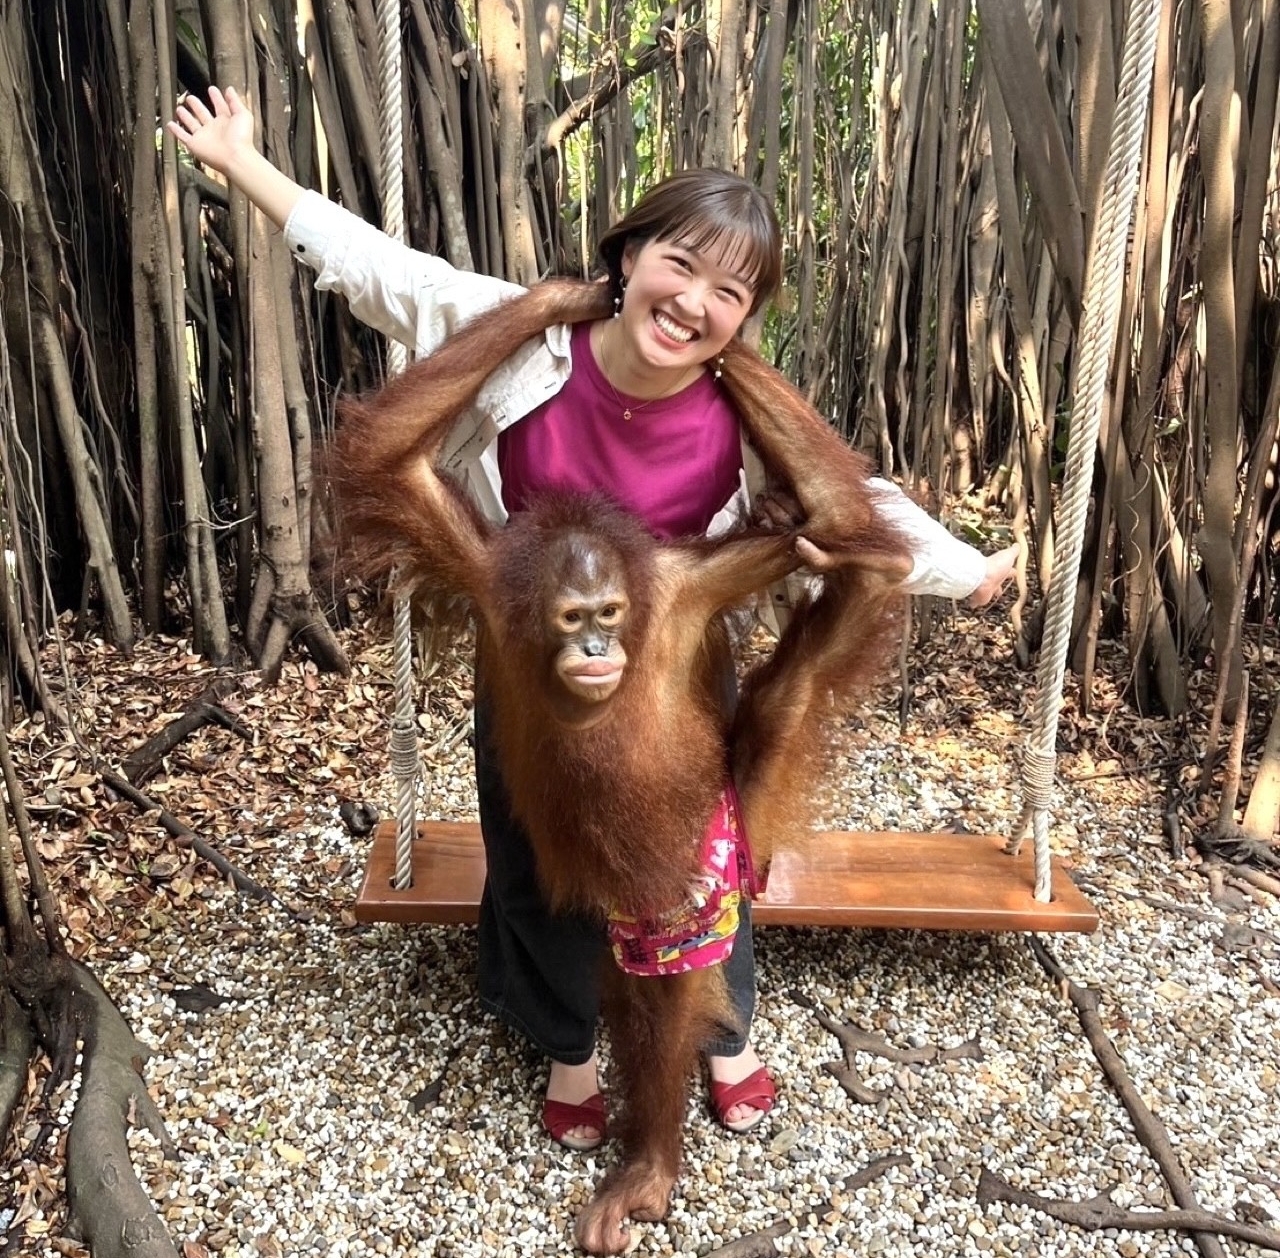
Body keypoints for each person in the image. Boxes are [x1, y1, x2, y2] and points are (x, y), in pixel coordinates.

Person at [169, 86, 1018, 1152]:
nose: (692, 303)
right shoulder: (526, 339)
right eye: (680, 265)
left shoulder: (734, 413)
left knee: (702, 858)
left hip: (671, 654)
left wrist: (959, 568)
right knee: (531, 857)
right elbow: (387, 275)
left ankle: (721, 1032)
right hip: (529, 643)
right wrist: (246, 165)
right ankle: (567, 1040)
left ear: (745, 319)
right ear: (628, 256)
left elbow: (853, 505)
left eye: (729, 294)